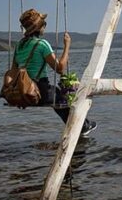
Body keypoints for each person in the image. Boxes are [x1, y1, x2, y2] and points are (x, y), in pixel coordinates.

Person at [12, 8, 97, 137]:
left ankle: (80, 129)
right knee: (63, 99)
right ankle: (83, 126)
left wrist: (22, 95)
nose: (45, 28)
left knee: (58, 98)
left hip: (25, 91)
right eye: (44, 25)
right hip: (40, 91)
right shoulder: (42, 44)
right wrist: (67, 45)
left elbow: (14, 70)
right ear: (39, 27)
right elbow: (60, 69)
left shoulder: (19, 45)